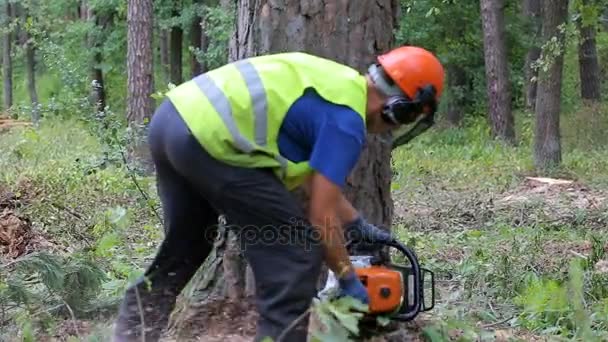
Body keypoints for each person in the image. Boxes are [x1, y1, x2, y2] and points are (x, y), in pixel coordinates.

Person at [112, 46, 445, 342]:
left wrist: (355, 223)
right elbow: (320, 215)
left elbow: (318, 184)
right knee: (296, 252)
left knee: (187, 244)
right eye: (407, 118)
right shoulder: (347, 122)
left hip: (173, 120)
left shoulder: (339, 84)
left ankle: (133, 332)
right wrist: (346, 276)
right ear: (400, 107)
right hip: (208, 139)